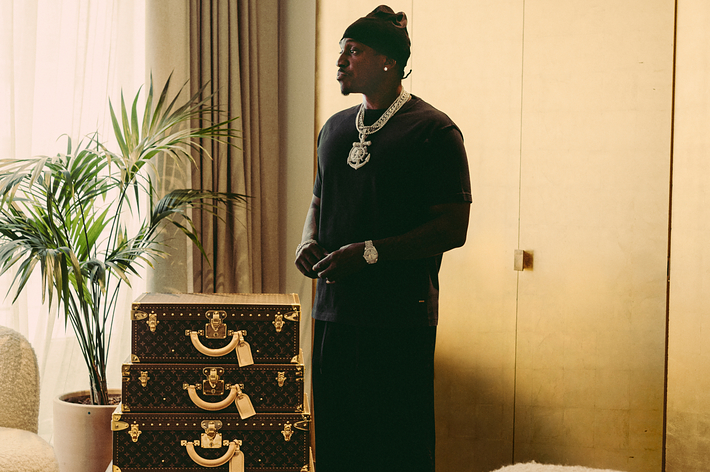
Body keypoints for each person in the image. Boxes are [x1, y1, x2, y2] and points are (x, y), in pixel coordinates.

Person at [294, 5, 472, 472]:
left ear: (388, 61)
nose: (340, 61)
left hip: (400, 319)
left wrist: (369, 253)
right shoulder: (333, 129)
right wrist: (306, 240)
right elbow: (319, 200)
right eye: (340, 51)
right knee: (335, 440)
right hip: (334, 314)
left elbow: (453, 229)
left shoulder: (433, 130)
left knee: (396, 444)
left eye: (353, 51)